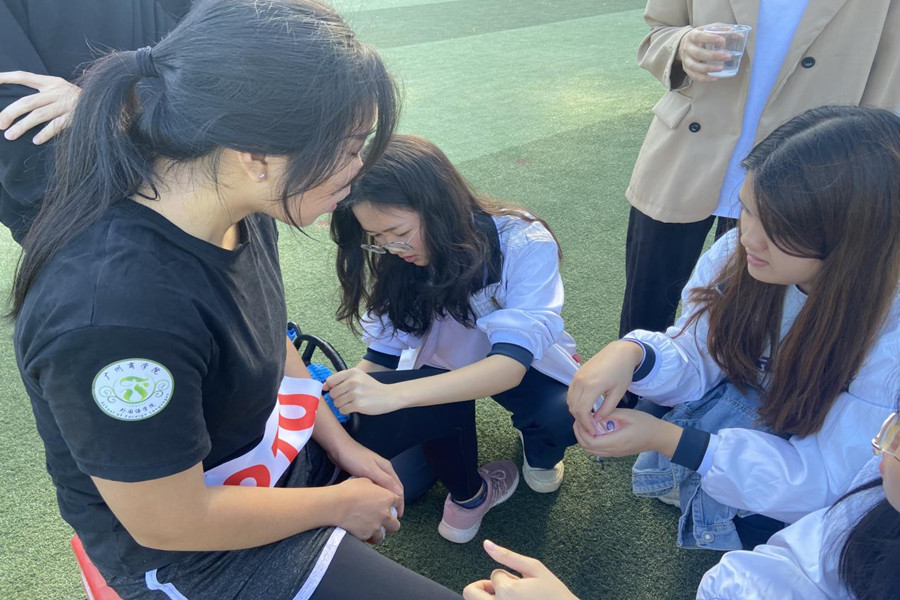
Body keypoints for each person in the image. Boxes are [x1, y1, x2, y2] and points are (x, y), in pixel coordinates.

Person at [12, 1, 465, 598]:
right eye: (351, 146)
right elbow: (169, 521)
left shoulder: (240, 207)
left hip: (268, 464)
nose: (358, 170)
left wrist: (339, 441)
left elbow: (269, 333)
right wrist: (339, 503)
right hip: (199, 559)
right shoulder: (114, 316)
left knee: (445, 402)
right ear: (256, 155)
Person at [569, 105, 900, 550]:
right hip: (759, 410)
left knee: (769, 535)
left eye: (780, 228)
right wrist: (634, 354)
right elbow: (699, 350)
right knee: (657, 408)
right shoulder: (737, 253)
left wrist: (675, 442)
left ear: (855, 241)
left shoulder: (890, 336)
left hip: (809, 475)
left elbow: (828, 480)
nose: (748, 237)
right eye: (747, 208)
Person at [326, 134, 579, 542]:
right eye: (377, 238)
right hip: (441, 376)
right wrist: (348, 398)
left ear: (439, 206)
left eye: (397, 231)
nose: (391, 248)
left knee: (564, 414)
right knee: (402, 486)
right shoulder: (398, 257)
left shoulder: (521, 240)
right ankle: (470, 495)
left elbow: (510, 366)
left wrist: (393, 395)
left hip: (522, 368)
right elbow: (383, 355)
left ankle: (539, 446)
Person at [619, 0, 900, 345]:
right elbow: (658, 33)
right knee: (644, 312)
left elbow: (888, 76)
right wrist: (681, 47)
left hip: (803, 174)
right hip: (683, 156)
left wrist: (860, 165)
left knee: (748, 322)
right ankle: (630, 377)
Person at [463, 408, 900, 600]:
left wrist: (673, 440)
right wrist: (639, 355)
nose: (883, 450)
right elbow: (797, 569)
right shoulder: (878, 496)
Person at [0, 0, 192, 243]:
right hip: (95, 218)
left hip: (205, 177)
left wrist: (106, 106)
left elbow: (217, 52)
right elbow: (27, 144)